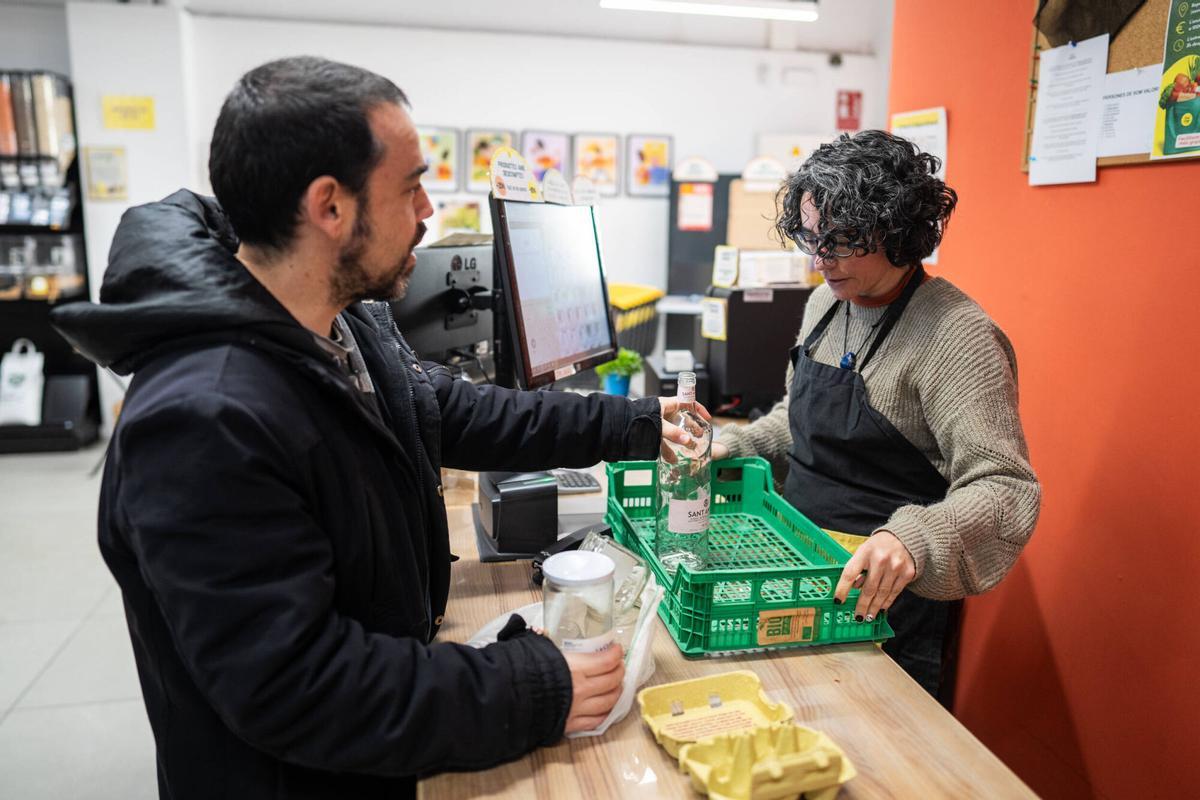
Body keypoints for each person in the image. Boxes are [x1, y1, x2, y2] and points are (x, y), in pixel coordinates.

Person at [50, 57, 702, 799]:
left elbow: (446, 410)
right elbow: (299, 686)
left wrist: (636, 424)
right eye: (411, 185)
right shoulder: (205, 418)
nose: (429, 209)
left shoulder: (337, 319)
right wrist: (532, 684)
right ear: (330, 207)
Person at [711, 130, 1041, 703]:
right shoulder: (826, 302)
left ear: (894, 231)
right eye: (811, 239)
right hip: (797, 565)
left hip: (884, 606)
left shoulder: (957, 337)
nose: (819, 261)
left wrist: (915, 539)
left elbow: (1006, 487)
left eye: (838, 242)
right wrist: (734, 447)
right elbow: (801, 422)